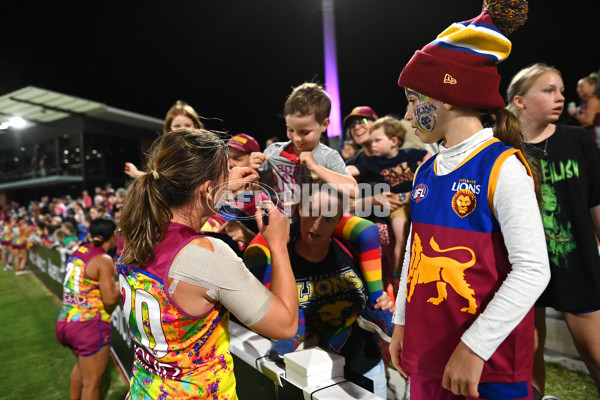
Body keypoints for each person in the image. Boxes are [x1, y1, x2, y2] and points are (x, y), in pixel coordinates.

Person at [389, 1, 551, 399]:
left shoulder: (502, 167)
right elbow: (416, 251)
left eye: (413, 100)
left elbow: (533, 270)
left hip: (485, 366)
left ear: (446, 95)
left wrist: (475, 347)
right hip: (429, 353)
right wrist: (402, 322)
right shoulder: (427, 169)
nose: (408, 116)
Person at [117, 128, 298, 399]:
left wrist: (221, 187)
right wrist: (278, 246)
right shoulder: (206, 255)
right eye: (224, 173)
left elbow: (194, 203)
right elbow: (285, 325)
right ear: (205, 188)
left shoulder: (131, 233)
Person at [244, 182, 394, 399]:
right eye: (312, 213)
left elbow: (368, 241)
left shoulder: (351, 247)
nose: (317, 225)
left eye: (328, 218)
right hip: (309, 377)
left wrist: (381, 300)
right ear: (299, 211)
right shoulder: (278, 258)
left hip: (366, 367)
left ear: (339, 220)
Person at [507, 63, 600, 398]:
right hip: (524, 268)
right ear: (519, 100)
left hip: (577, 263)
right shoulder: (503, 151)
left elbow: (595, 202)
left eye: (561, 90)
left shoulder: (578, 140)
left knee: (596, 354)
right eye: (548, 90)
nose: (560, 97)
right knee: (528, 359)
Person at [250, 82, 358, 221]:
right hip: (279, 225)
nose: (296, 138)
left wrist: (316, 167)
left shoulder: (329, 156)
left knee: (366, 230)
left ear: (324, 125)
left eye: (305, 132)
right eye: (290, 129)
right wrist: (250, 168)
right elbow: (254, 190)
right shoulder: (273, 151)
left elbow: (354, 191)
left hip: (316, 225)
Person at [347, 116, 430, 284]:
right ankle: (397, 275)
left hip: (417, 200)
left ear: (393, 140)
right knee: (399, 235)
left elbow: (428, 155)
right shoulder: (369, 163)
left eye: (362, 121)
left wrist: (424, 173)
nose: (374, 144)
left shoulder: (409, 153)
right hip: (392, 209)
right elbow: (347, 172)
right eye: (351, 125)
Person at [55, 217, 121, 400]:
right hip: (88, 325)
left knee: (82, 368)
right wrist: (123, 284)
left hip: (65, 321)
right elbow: (109, 298)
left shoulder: (79, 251)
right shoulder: (103, 259)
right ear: (114, 234)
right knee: (92, 383)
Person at [124, 100, 204, 179]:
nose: (182, 129)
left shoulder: (207, 150)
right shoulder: (164, 152)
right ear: (169, 129)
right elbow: (161, 180)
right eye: (177, 126)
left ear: (196, 126)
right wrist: (137, 174)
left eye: (187, 125)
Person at [568, 72, 600, 144]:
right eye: (577, 87)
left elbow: (588, 120)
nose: (578, 89)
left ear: (592, 86)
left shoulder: (593, 100)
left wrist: (575, 113)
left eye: (581, 86)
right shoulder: (588, 101)